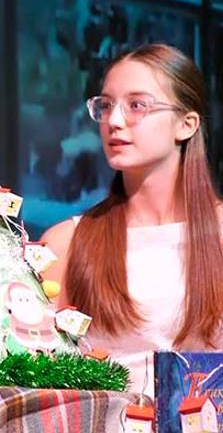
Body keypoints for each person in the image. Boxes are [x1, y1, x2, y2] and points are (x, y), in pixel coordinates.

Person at [41, 43, 223, 397]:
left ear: (186, 124)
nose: (115, 121)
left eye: (137, 105)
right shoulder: (66, 243)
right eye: (106, 106)